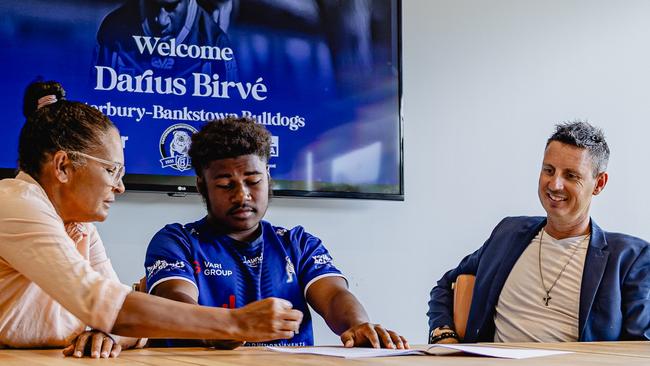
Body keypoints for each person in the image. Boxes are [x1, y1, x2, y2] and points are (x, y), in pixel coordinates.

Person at [0, 81, 305, 357]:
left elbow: (121, 317)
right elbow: (103, 302)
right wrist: (234, 322)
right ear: (63, 166)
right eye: (112, 171)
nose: (119, 186)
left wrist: (109, 332)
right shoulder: (15, 201)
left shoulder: (81, 228)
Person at [144, 117, 408, 349]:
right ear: (202, 186)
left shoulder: (297, 243)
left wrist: (358, 325)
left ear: (268, 178)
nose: (242, 195)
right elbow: (175, 302)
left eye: (253, 181)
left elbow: (334, 295)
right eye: (225, 185)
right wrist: (223, 327)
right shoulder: (177, 241)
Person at [427, 121, 650, 344]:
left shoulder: (630, 258)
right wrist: (443, 334)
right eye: (549, 170)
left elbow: (639, 348)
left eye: (571, 176)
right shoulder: (508, 233)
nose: (555, 184)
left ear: (599, 183)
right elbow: (446, 285)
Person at [94, 0, 237, 81]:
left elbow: (229, 116)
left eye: (171, 7)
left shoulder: (216, 43)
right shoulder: (112, 32)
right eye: (153, 5)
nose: (161, 20)